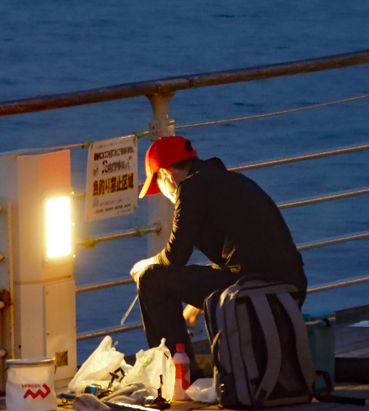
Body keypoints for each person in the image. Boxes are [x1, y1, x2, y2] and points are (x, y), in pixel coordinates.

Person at [130, 135, 307, 378]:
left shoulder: (191, 188)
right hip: (289, 289)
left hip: (258, 292)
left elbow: (174, 258)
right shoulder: (227, 180)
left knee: (151, 279)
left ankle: (180, 377)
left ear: (167, 176)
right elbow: (242, 254)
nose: (165, 196)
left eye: (159, 188)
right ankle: (184, 369)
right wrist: (196, 301)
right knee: (160, 276)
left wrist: (146, 263)